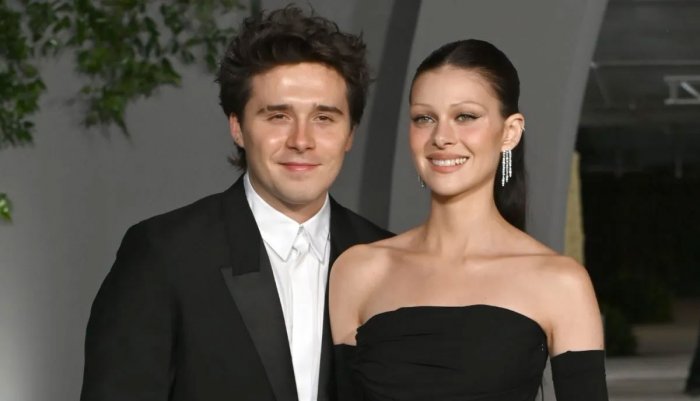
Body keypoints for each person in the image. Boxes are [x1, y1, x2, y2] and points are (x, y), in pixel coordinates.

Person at [80, 6, 391, 401]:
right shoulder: (163, 255)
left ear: (350, 134)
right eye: (278, 116)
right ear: (238, 127)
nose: (302, 140)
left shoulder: (388, 261)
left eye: (324, 118)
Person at [330, 39, 608, 401]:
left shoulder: (560, 282)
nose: (441, 137)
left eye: (465, 116)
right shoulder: (359, 271)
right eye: (424, 118)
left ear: (510, 132)